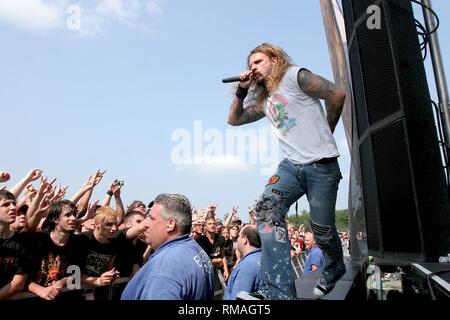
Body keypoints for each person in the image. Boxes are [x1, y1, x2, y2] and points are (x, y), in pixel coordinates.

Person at [227, 43, 346, 299]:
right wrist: (241, 90)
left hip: (322, 166)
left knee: (323, 232)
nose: (252, 68)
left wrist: (328, 129)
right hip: (291, 166)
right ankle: (278, 291)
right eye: (249, 65)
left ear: (274, 59)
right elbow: (234, 120)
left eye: (257, 62)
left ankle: (335, 268)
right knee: (266, 209)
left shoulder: (295, 75)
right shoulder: (263, 100)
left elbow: (337, 94)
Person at [121, 193, 214, 300]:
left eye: (151, 218)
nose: (145, 224)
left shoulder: (165, 267)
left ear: (171, 224)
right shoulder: (194, 249)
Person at [0, 190, 29, 300]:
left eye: (13, 204)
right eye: (6, 204)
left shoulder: (23, 242)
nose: (13, 208)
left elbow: (18, 284)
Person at [224, 225, 262, 300]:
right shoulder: (262, 258)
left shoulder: (247, 266)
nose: (237, 239)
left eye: (239, 236)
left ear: (244, 239)